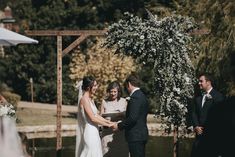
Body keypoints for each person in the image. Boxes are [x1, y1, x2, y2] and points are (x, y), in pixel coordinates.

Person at [75, 76, 115, 157]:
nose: (96, 87)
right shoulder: (84, 100)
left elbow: (96, 115)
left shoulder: (90, 99)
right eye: (95, 85)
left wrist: (109, 122)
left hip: (94, 131)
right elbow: (92, 118)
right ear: (89, 87)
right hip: (89, 132)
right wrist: (108, 125)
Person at [112, 73, 149, 157]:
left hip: (135, 136)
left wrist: (119, 126)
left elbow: (132, 118)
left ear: (129, 84)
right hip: (141, 135)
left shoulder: (135, 98)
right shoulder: (142, 95)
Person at [191, 73, 224, 157]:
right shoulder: (198, 97)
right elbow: (194, 113)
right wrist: (196, 126)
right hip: (198, 139)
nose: (199, 83)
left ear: (208, 82)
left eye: (201, 81)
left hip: (212, 139)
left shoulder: (218, 97)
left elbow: (220, 118)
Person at [100, 81, 129, 157]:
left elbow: (128, 117)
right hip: (107, 133)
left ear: (118, 92)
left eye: (115, 91)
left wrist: (121, 114)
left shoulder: (124, 101)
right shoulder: (104, 101)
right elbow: (101, 116)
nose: (113, 93)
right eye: (111, 91)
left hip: (120, 133)